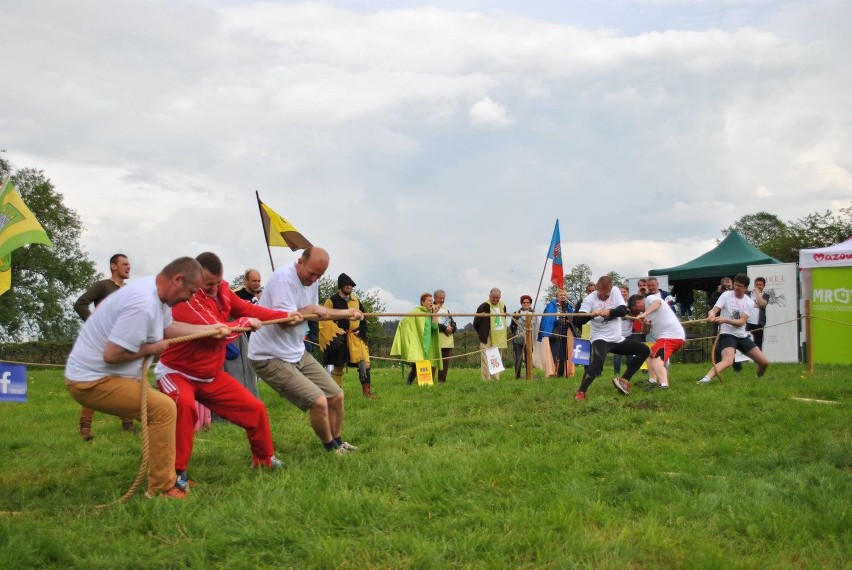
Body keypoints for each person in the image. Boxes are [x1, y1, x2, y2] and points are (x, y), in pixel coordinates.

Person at [64, 257, 229, 499]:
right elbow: (111, 355)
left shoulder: (157, 294)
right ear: (177, 280)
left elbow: (168, 328)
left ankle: (168, 476)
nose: (190, 298)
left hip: (112, 376)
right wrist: (149, 350)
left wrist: (209, 329)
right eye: (191, 291)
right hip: (92, 380)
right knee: (163, 409)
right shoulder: (143, 304)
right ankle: (163, 487)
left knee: (163, 409)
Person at [155, 253, 300, 489]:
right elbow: (216, 332)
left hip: (209, 375)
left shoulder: (223, 290)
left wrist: (285, 316)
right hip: (177, 373)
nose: (213, 289)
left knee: (255, 408)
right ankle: (177, 474)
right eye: (207, 284)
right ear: (195, 280)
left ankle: (264, 459)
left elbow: (247, 309)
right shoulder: (187, 299)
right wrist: (243, 324)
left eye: (216, 282)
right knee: (184, 407)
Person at [248, 247, 361, 455]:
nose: (314, 279)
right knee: (318, 401)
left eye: (320, 275)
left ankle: (339, 442)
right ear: (300, 261)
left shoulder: (313, 280)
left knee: (336, 396)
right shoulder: (284, 280)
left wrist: (348, 312)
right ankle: (330, 449)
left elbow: (317, 313)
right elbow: (283, 322)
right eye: (312, 273)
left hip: (296, 351)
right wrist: (311, 311)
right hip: (269, 356)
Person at [72, 253, 136, 440]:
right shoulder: (102, 286)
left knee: (125, 381)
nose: (129, 266)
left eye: (129, 263)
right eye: (124, 263)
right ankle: (85, 428)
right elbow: (80, 304)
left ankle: (127, 423)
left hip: (123, 342)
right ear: (113, 266)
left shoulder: (129, 290)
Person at [572, 275, 651, 401]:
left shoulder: (615, 291)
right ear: (597, 288)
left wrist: (609, 312)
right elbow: (577, 321)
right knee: (598, 361)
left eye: (607, 294)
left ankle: (623, 380)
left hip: (617, 339)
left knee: (644, 350)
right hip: (600, 338)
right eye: (601, 294)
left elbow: (623, 310)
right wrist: (591, 315)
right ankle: (581, 392)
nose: (604, 296)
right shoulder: (589, 300)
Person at [698, 274, 769, 384]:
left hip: (742, 335)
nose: (736, 287)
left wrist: (724, 320)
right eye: (735, 284)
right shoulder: (726, 295)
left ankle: (757, 380)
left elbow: (741, 322)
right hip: (727, 334)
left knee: (764, 362)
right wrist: (711, 314)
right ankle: (705, 379)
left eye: (740, 286)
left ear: (745, 288)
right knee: (728, 360)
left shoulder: (749, 302)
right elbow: (714, 310)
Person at [319, 273, 376, 398]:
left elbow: (363, 318)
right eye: (347, 285)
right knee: (338, 366)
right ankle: (336, 394)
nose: (350, 287)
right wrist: (335, 329)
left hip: (355, 337)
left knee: (364, 363)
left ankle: (367, 393)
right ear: (341, 286)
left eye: (351, 285)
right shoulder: (332, 300)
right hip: (339, 338)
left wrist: (361, 330)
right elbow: (324, 320)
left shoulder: (356, 301)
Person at [629, 291, 686, 390]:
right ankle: (652, 381)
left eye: (635, 310)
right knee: (647, 353)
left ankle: (664, 385)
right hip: (666, 338)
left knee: (656, 362)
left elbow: (657, 303)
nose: (637, 312)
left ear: (638, 303)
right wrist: (645, 323)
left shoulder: (650, 299)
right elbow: (646, 332)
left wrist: (645, 314)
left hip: (671, 336)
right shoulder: (646, 313)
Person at [390, 292, 442, 384]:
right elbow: (405, 322)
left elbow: (434, 327)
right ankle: (409, 382)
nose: (431, 303)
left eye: (432, 301)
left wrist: (435, 314)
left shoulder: (431, 313)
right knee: (417, 364)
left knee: (422, 363)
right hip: (418, 342)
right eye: (429, 301)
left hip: (427, 343)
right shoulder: (416, 311)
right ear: (422, 302)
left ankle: (421, 383)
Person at [473, 288, 508, 381]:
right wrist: (481, 333)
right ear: (489, 296)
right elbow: (476, 322)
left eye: (498, 298)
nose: (496, 300)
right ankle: (486, 380)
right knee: (485, 359)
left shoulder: (503, 305)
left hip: (499, 336)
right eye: (494, 298)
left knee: (496, 359)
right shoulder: (483, 306)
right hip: (486, 336)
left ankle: (495, 379)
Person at [538, 289, 574, 377]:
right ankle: (552, 372)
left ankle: (561, 373)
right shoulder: (551, 306)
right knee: (554, 352)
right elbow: (548, 320)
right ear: (557, 297)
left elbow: (572, 318)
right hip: (554, 331)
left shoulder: (568, 306)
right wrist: (559, 321)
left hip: (566, 331)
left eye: (564, 295)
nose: (562, 296)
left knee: (563, 354)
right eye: (560, 295)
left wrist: (569, 321)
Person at [509, 295, 537, 379]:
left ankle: (529, 375)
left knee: (529, 357)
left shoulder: (534, 313)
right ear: (521, 303)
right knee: (518, 358)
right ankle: (517, 376)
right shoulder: (516, 313)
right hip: (518, 338)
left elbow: (536, 326)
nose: (526, 304)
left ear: (530, 303)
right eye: (524, 302)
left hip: (529, 339)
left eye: (528, 302)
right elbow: (512, 326)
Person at [433, 289, 456, 383]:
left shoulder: (446, 309)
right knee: (434, 362)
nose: (442, 300)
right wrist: (444, 328)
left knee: (445, 363)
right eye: (440, 298)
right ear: (434, 298)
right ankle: (429, 382)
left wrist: (452, 328)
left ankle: (442, 381)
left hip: (447, 341)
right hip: (436, 340)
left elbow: (452, 322)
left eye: (443, 298)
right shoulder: (431, 309)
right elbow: (432, 324)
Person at [612, 285, 633, 378]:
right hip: (617, 333)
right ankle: (616, 373)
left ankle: (629, 372)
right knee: (617, 355)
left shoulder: (631, 303)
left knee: (630, 354)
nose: (623, 293)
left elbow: (635, 317)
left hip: (629, 332)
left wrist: (629, 311)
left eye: (624, 291)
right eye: (621, 292)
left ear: (628, 293)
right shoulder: (615, 304)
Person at [747, 277, 770, 350]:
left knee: (758, 342)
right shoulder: (748, 293)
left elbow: (761, 304)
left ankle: (758, 359)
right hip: (747, 321)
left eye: (760, 285)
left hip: (758, 323)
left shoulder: (765, 295)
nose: (758, 286)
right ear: (754, 285)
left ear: (764, 286)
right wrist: (756, 305)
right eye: (757, 284)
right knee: (745, 340)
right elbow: (745, 305)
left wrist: (757, 293)